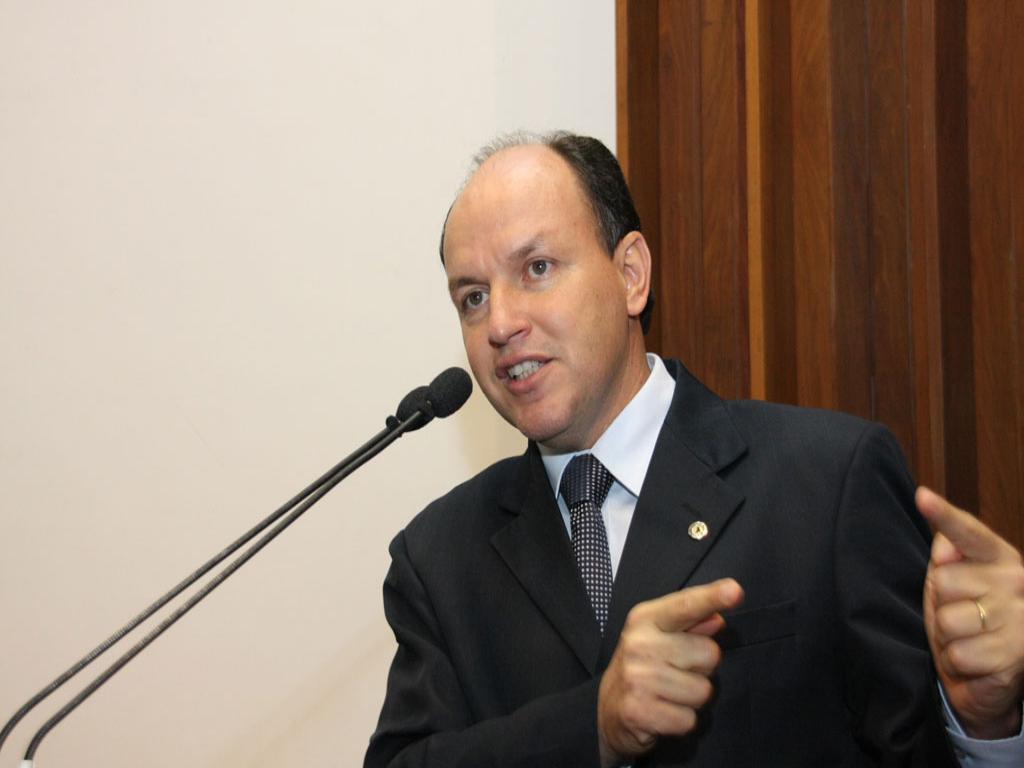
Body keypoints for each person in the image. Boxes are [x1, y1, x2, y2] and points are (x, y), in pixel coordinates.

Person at [364, 132, 1024, 767]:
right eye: (473, 297)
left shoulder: (826, 482)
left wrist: (985, 725)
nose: (501, 323)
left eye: (537, 269)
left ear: (631, 275)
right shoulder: (438, 558)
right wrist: (593, 727)